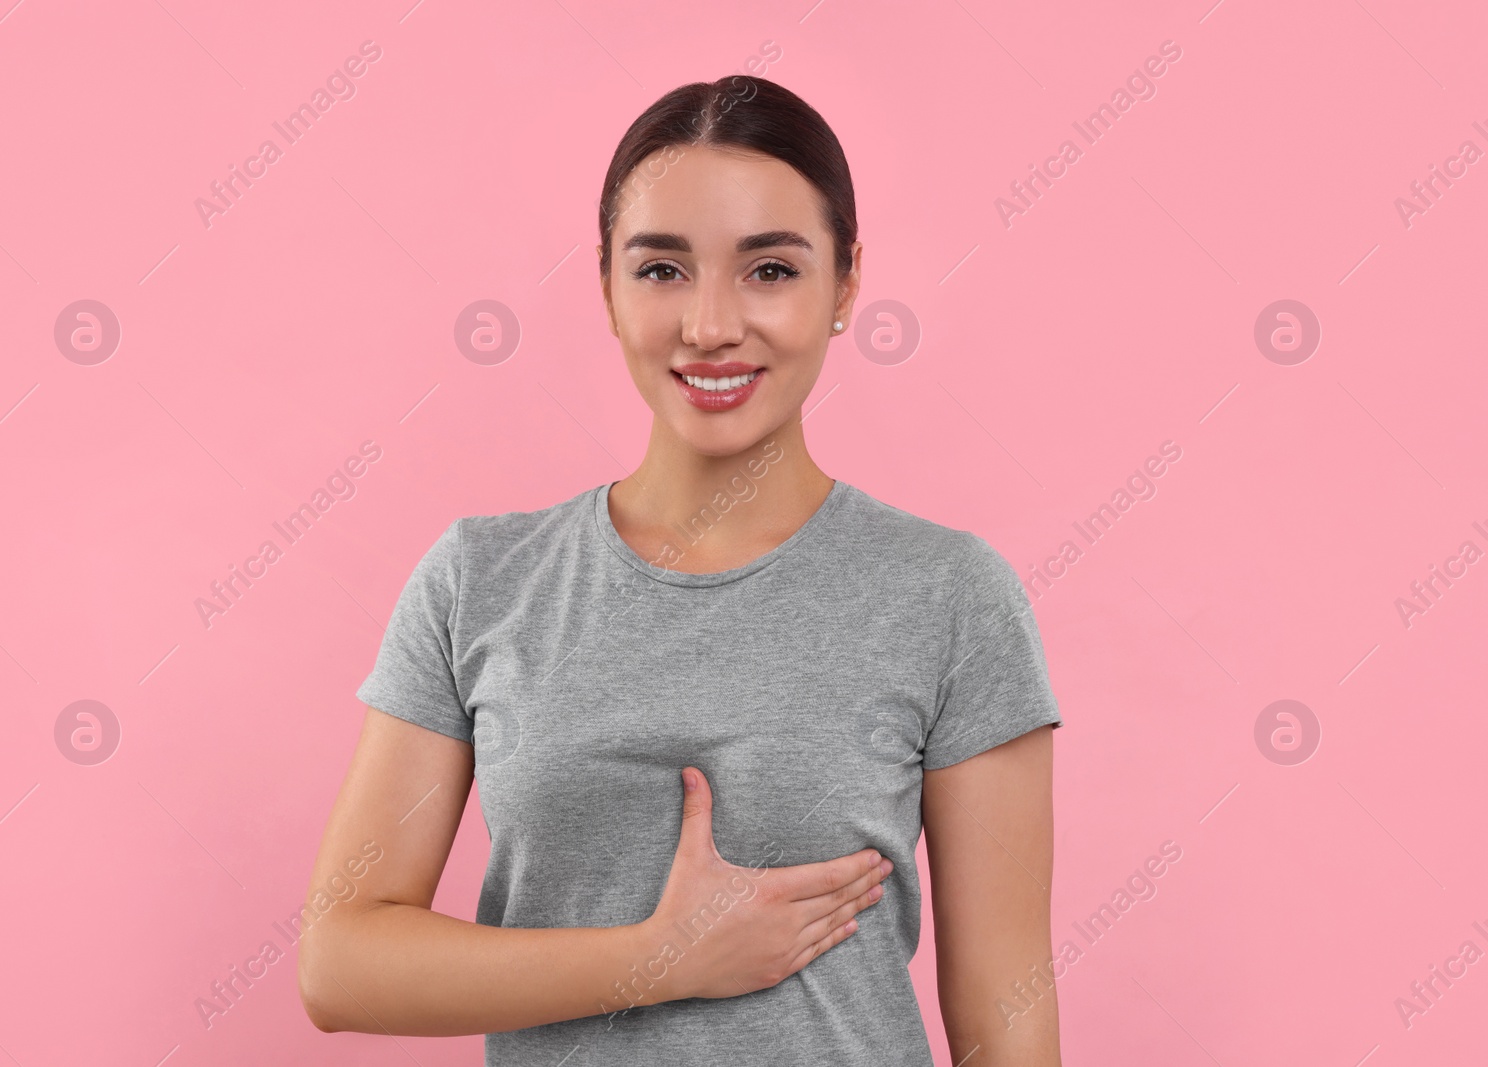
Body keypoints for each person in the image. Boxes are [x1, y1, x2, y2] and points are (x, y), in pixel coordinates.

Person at [298, 74, 1064, 1066]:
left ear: (845, 283)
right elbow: (339, 959)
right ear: (607, 289)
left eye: (770, 270)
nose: (709, 324)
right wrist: (656, 958)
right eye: (662, 269)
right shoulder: (478, 581)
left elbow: (1006, 1022)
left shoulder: (950, 596)